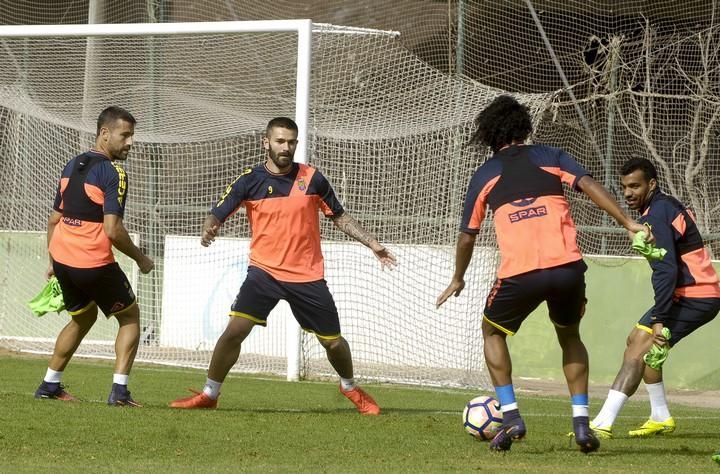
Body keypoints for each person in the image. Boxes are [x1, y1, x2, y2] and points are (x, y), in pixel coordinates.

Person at [436, 95, 648, 452]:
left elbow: (466, 235)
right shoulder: (551, 156)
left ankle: (512, 416)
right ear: (525, 128)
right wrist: (627, 221)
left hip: (521, 274)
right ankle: (582, 425)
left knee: (491, 331)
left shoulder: (486, 173)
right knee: (569, 335)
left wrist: (459, 277)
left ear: (489, 135)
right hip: (567, 267)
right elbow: (588, 184)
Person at [170, 117, 396, 414]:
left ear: (296, 144)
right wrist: (209, 228)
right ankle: (210, 394)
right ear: (267, 142)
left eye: (291, 142)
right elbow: (217, 213)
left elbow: (339, 216)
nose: (285, 147)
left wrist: (372, 243)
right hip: (264, 272)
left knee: (333, 343)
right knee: (234, 331)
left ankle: (349, 387)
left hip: (307, 275)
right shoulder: (249, 180)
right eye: (279, 141)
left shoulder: (312, 179)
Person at [590, 157, 720, 438]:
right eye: (624, 187)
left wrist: (660, 318)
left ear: (652, 184)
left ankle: (602, 423)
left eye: (635, 186)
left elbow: (667, 269)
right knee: (641, 345)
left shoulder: (658, 212)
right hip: (694, 293)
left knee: (639, 348)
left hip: (694, 295)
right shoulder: (662, 206)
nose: (628, 193)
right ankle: (660, 416)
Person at [34, 106, 155, 406]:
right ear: (104, 133)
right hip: (92, 262)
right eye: (124, 135)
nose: (130, 142)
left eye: (132, 136)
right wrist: (141, 258)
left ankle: (49, 385)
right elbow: (112, 230)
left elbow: (53, 220)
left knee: (83, 317)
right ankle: (120, 392)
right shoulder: (113, 172)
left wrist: (52, 261)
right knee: (129, 317)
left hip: (63, 259)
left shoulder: (72, 164)